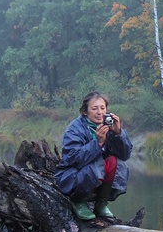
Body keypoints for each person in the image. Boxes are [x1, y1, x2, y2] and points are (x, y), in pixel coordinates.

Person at [55, 90, 133, 221]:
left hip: (96, 174)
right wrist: (98, 143)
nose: (100, 112)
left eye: (103, 108)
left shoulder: (108, 126)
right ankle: (78, 202)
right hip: (72, 175)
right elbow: (74, 159)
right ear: (85, 111)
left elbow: (125, 155)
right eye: (94, 108)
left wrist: (118, 133)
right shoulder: (74, 129)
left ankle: (101, 203)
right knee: (96, 165)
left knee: (116, 163)